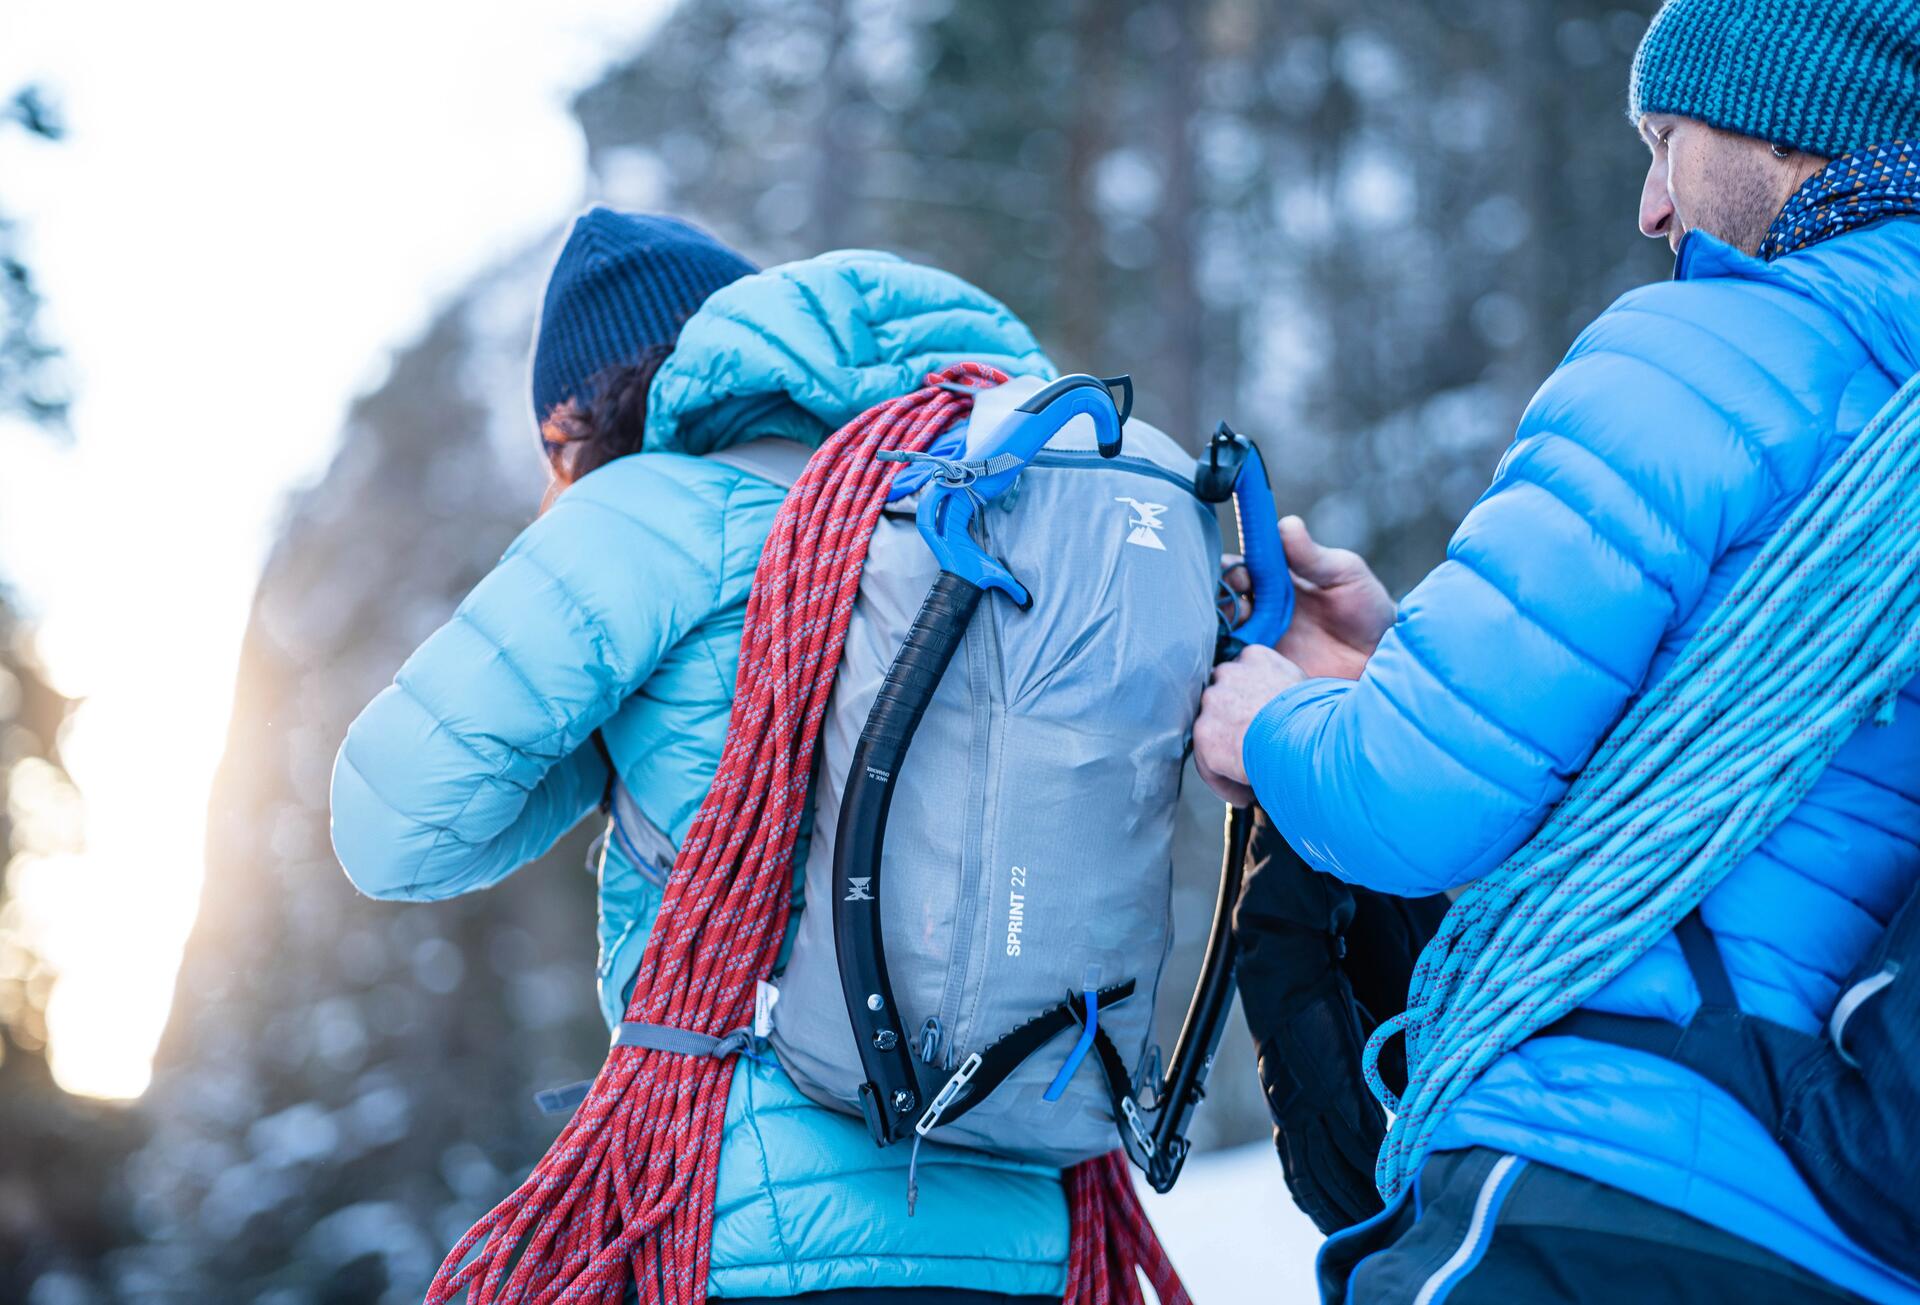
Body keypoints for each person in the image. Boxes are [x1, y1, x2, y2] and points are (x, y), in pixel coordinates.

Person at [1194, 0, 1920, 1301]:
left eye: (1668, 138)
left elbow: (1410, 805)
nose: (1654, 204)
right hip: (1840, 1240)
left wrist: (1272, 721)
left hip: (1599, 1176)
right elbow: (1759, 753)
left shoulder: (1706, 352)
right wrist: (1405, 664)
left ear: (1798, 132)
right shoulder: (1892, 426)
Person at [329, 208, 1069, 1303]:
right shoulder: (1004, 523)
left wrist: (592, 741)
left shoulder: (651, 512)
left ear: (584, 414)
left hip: (754, 1225)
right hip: (1028, 1227)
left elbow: (394, 829)